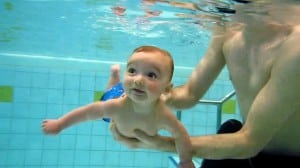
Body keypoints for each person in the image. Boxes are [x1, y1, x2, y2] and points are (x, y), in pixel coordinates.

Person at [110, 1, 300, 167]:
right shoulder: (228, 32)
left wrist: (158, 143)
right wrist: (138, 95)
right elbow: (189, 95)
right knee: (230, 128)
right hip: (247, 150)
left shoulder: (295, 45)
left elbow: (249, 141)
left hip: (287, 157)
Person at [41, 45, 195, 168]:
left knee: (117, 92)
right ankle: (114, 77)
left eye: (151, 75)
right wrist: (60, 124)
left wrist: (185, 160)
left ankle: (116, 77)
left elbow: (181, 135)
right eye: (132, 71)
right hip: (115, 107)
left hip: (127, 109)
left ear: (166, 88)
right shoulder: (116, 106)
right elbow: (86, 113)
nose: (138, 80)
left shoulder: (164, 116)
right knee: (111, 93)